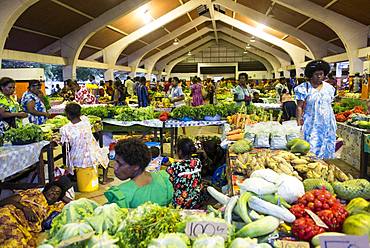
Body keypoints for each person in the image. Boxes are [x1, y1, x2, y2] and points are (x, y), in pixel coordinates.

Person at [0, 176, 71, 247]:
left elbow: (77, 205)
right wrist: (24, 208)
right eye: (52, 190)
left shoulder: (54, 207)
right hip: (8, 216)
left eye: (57, 193)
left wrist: (62, 196)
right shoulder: (34, 193)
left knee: (16, 243)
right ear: (46, 190)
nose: (53, 193)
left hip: (23, 229)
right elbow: (4, 201)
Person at [104, 138, 174, 208]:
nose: (115, 167)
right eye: (115, 161)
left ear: (136, 166)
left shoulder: (121, 195)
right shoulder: (164, 179)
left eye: (120, 164)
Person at [60, 103, 112, 184]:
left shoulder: (64, 129)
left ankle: (74, 176)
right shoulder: (86, 121)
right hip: (93, 155)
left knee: (70, 154)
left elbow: (65, 145)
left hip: (75, 159)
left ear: (68, 115)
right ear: (80, 113)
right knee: (105, 152)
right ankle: (105, 179)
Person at [295, 59, 336, 159]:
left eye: (321, 74)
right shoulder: (304, 88)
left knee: (327, 144)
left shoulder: (329, 88)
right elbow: (299, 106)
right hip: (312, 122)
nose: (319, 76)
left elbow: (329, 104)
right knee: (312, 146)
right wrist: (298, 122)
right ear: (310, 75)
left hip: (327, 122)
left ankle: (325, 166)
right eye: (316, 74)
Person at [166, 138, 204, 209]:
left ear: (180, 152)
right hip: (196, 199)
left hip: (181, 203)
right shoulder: (197, 162)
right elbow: (187, 165)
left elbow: (169, 182)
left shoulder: (174, 166)